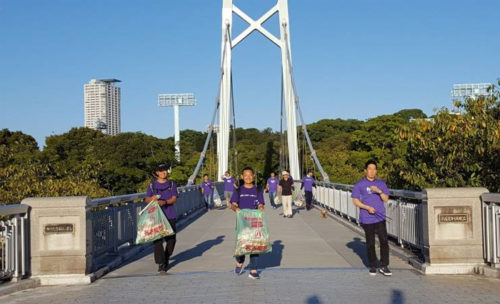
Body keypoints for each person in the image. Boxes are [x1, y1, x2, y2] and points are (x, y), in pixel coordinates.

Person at [351, 160, 392, 276]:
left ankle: (384, 266)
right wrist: (367, 207)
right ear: (365, 170)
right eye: (370, 169)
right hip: (367, 217)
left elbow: (386, 199)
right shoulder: (359, 184)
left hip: (380, 217)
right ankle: (373, 265)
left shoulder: (381, 184)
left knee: (384, 241)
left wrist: (378, 191)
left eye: (374, 169)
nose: (372, 171)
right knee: (370, 243)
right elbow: (355, 201)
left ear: (376, 171)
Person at [231, 166, 265, 279]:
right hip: (242, 222)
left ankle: (253, 270)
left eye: (250, 175)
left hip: (254, 221)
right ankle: (240, 261)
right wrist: (236, 208)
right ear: (242, 177)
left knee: (254, 245)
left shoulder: (258, 189)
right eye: (245, 175)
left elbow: (261, 203)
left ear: (253, 176)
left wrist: (261, 207)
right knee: (242, 244)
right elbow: (233, 204)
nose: (248, 177)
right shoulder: (238, 190)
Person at [145, 164, 178, 273]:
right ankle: (161, 263)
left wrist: (165, 202)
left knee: (171, 239)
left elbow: (174, 198)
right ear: (157, 173)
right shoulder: (151, 185)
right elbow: (147, 199)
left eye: (165, 170)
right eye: (161, 171)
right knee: (157, 240)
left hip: (170, 215)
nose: (163, 172)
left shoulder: (172, 184)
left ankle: (166, 256)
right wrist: (152, 199)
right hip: (156, 216)